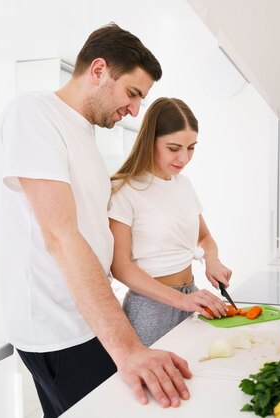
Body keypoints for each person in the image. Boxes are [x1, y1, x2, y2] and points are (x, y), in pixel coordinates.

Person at [0, 23, 191, 418]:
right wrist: (129, 348)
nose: (135, 110)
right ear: (98, 70)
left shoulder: (83, 135)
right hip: (55, 329)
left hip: (86, 321)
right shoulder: (33, 113)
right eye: (133, 94)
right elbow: (61, 237)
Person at [108, 97, 232, 346]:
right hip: (151, 308)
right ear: (149, 140)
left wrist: (212, 259)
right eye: (174, 148)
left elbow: (205, 237)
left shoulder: (183, 184)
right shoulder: (124, 190)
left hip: (192, 295)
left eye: (191, 148)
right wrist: (180, 300)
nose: (184, 158)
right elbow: (120, 267)